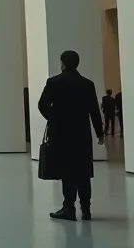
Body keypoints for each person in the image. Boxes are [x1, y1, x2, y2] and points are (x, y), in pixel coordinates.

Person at [38, 50, 105, 221]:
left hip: (61, 134)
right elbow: (94, 111)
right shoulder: (87, 84)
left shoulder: (54, 82)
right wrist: (100, 133)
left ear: (62, 63)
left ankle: (69, 207)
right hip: (82, 133)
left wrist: (54, 118)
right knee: (83, 170)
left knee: (67, 171)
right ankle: (86, 208)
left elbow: (42, 105)